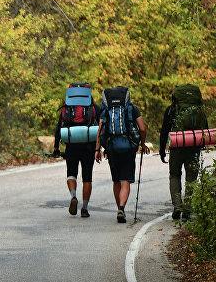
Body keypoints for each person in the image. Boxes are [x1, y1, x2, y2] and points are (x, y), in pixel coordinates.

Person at [97, 86, 149, 223]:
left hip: (111, 148)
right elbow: (142, 129)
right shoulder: (132, 108)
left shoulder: (106, 110)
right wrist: (142, 144)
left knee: (116, 180)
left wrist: (97, 150)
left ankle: (119, 209)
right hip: (128, 148)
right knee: (125, 180)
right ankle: (122, 207)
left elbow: (100, 131)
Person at [159, 85, 206, 221]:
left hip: (177, 147)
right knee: (191, 177)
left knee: (174, 175)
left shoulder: (172, 110)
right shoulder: (199, 110)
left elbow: (164, 131)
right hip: (193, 147)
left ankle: (177, 206)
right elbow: (205, 128)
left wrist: (162, 150)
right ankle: (187, 210)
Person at [53, 83, 100, 218]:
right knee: (87, 177)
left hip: (71, 145)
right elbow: (101, 125)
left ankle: (73, 196)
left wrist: (56, 147)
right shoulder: (92, 107)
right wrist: (100, 147)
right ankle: (84, 208)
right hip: (88, 146)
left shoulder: (66, 107)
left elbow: (58, 128)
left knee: (71, 174)